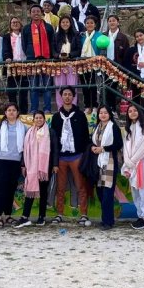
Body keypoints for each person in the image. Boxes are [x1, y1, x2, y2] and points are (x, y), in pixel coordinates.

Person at [50, 86, 90, 225]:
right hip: (61, 157)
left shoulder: (80, 115)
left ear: (73, 97)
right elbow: (53, 140)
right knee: (60, 187)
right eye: (65, 94)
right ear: (61, 97)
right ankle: (59, 214)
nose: (67, 96)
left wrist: (84, 155)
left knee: (80, 186)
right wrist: (54, 160)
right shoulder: (56, 117)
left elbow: (85, 136)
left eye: (69, 94)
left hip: (76, 156)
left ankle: (84, 214)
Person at [0, 103, 28, 228]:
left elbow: (27, 146)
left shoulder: (24, 127)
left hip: (15, 162)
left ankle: (8, 215)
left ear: (18, 112)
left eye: (14, 110)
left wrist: (24, 164)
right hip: (0, 161)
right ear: (5, 112)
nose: (11, 112)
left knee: (11, 189)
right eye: (9, 110)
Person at [15, 111, 59, 228]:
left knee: (43, 192)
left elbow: (55, 149)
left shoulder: (50, 132)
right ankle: (25, 217)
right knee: (30, 190)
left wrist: (55, 164)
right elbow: (25, 150)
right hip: (31, 167)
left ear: (44, 119)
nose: (38, 120)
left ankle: (41, 217)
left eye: (41, 118)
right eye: (36, 118)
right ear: (33, 120)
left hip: (45, 167)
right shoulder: (29, 132)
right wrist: (23, 165)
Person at [90, 105, 123, 231]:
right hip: (98, 162)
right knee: (100, 192)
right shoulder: (97, 127)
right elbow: (93, 141)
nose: (103, 115)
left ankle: (108, 221)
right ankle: (106, 219)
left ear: (109, 114)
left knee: (108, 193)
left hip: (109, 162)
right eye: (101, 113)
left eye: (105, 113)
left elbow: (118, 144)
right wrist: (93, 147)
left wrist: (103, 149)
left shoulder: (113, 127)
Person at [122, 105, 144, 230]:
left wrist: (132, 161)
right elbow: (125, 147)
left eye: (135, 110)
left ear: (139, 112)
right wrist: (127, 162)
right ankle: (140, 215)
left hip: (142, 162)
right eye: (130, 111)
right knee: (135, 191)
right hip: (131, 164)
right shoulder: (127, 129)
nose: (133, 113)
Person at [21, 4, 54, 113]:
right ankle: (34, 109)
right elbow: (24, 45)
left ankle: (47, 109)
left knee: (47, 86)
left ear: (42, 13)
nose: (36, 13)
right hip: (32, 60)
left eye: (38, 11)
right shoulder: (26, 28)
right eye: (33, 11)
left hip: (46, 60)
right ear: (30, 14)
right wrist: (30, 53)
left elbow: (52, 43)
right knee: (33, 86)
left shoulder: (48, 27)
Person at [53, 15, 81, 110]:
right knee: (59, 87)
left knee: (72, 86)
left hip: (71, 64)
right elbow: (53, 50)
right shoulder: (56, 36)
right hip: (59, 64)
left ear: (70, 23)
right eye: (63, 22)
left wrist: (70, 55)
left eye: (67, 22)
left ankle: (73, 108)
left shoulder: (76, 34)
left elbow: (79, 49)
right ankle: (60, 108)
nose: (65, 24)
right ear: (60, 24)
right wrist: (58, 56)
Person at [104, 14, 130, 111]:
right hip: (105, 67)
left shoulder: (123, 38)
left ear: (118, 22)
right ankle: (107, 109)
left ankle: (113, 109)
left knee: (114, 88)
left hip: (118, 67)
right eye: (110, 21)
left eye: (114, 20)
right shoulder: (104, 36)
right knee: (106, 88)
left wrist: (124, 69)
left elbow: (126, 55)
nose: (112, 22)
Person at [79, 15, 104, 114]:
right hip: (83, 64)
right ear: (85, 24)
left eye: (91, 23)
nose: (89, 25)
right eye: (87, 23)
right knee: (85, 86)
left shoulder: (99, 36)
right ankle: (87, 106)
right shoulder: (82, 36)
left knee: (93, 85)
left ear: (95, 25)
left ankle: (94, 105)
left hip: (95, 65)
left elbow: (102, 50)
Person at [5, 16, 29, 113]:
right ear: (10, 25)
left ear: (20, 24)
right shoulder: (7, 37)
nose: (15, 24)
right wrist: (7, 57)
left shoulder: (25, 35)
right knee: (12, 90)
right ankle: (13, 110)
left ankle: (23, 111)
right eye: (13, 22)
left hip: (24, 65)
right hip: (12, 66)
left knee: (24, 90)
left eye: (17, 22)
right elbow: (6, 49)